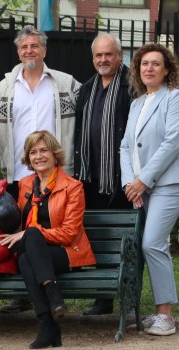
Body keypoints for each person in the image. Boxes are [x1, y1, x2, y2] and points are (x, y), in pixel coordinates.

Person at [0, 24, 81, 314]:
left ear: (44, 50)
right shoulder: (6, 87)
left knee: (47, 232)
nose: (29, 51)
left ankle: (48, 288)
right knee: (21, 234)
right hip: (17, 173)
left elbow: (89, 115)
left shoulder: (65, 84)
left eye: (34, 46)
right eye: (24, 47)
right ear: (18, 51)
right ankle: (27, 294)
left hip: (57, 176)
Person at [0, 130, 96, 348]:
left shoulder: (73, 187)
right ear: (28, 158)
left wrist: (29, 233)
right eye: (33, 152)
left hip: (66, 252)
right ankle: (50, 312)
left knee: (32, 236)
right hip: (36, 254)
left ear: (54, 154)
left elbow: (70, 233)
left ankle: (47, 322)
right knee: (26, 255)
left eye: (43, 150)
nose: (38, 156)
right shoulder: (25, 184)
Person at [120, 43, 179, 336]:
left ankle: (166, 316)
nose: (149, 68)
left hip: (168, 183)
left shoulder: (174, 99)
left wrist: (144, 180)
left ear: (167, 69)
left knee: (152, 243)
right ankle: (149, 312)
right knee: (143, 247)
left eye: (156, 63)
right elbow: (126, 146)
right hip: (139, 188)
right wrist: (130, 183)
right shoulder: (136, 104)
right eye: (144, 64)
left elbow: (173, 142)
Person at [74, 32, 132, 315]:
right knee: (99, 238)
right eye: (98, 55)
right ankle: (104, 297)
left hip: (122, 179)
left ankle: (128, 298)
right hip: (91, 177)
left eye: (109, 54)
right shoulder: (86, 89)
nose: (103, 60)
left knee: (125, 242)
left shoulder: (132, 86)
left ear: (119, 56)